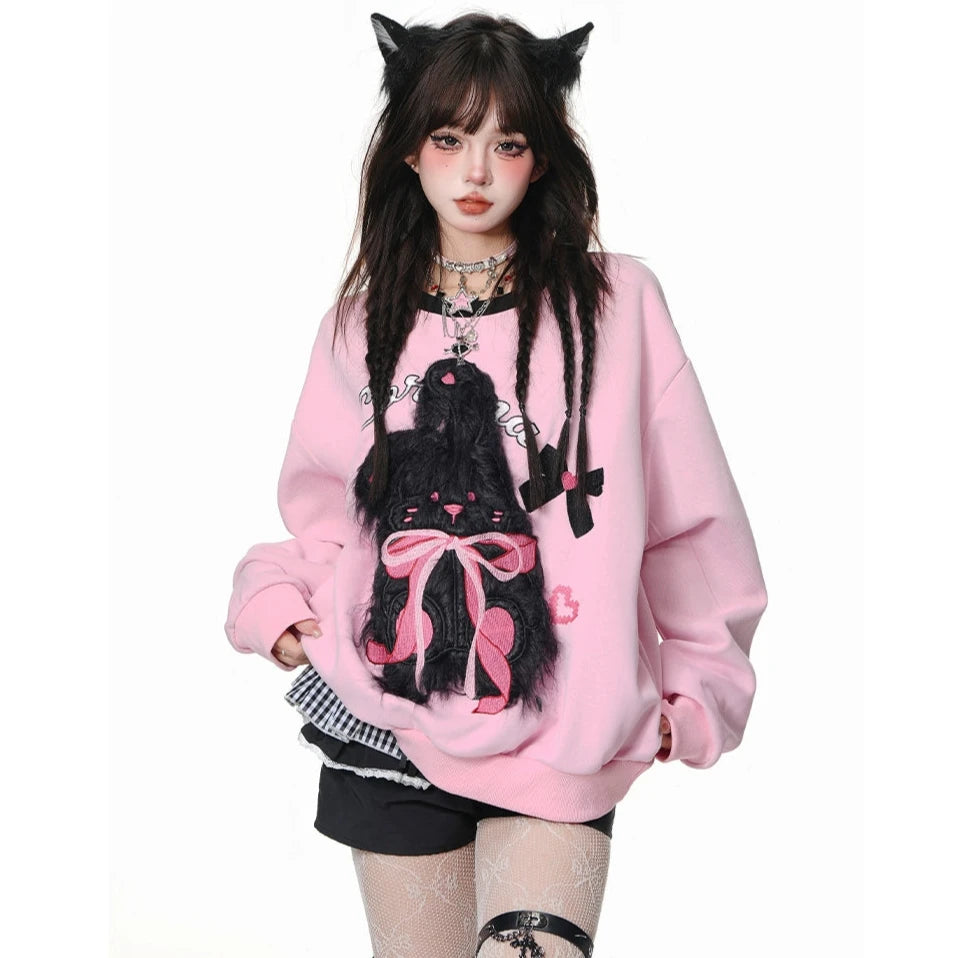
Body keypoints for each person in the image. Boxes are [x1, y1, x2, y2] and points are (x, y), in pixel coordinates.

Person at [223, 11, 769, 958]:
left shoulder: (616, 307)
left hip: (564, 729)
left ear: (541, 158)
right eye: (449, 138)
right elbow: (328, 521)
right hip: (388, 722)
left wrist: (700, 681)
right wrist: (280, 607)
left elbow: (692, 520)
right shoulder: (358, 327)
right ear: (410, 150)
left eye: (506, 144)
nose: (475, 171)